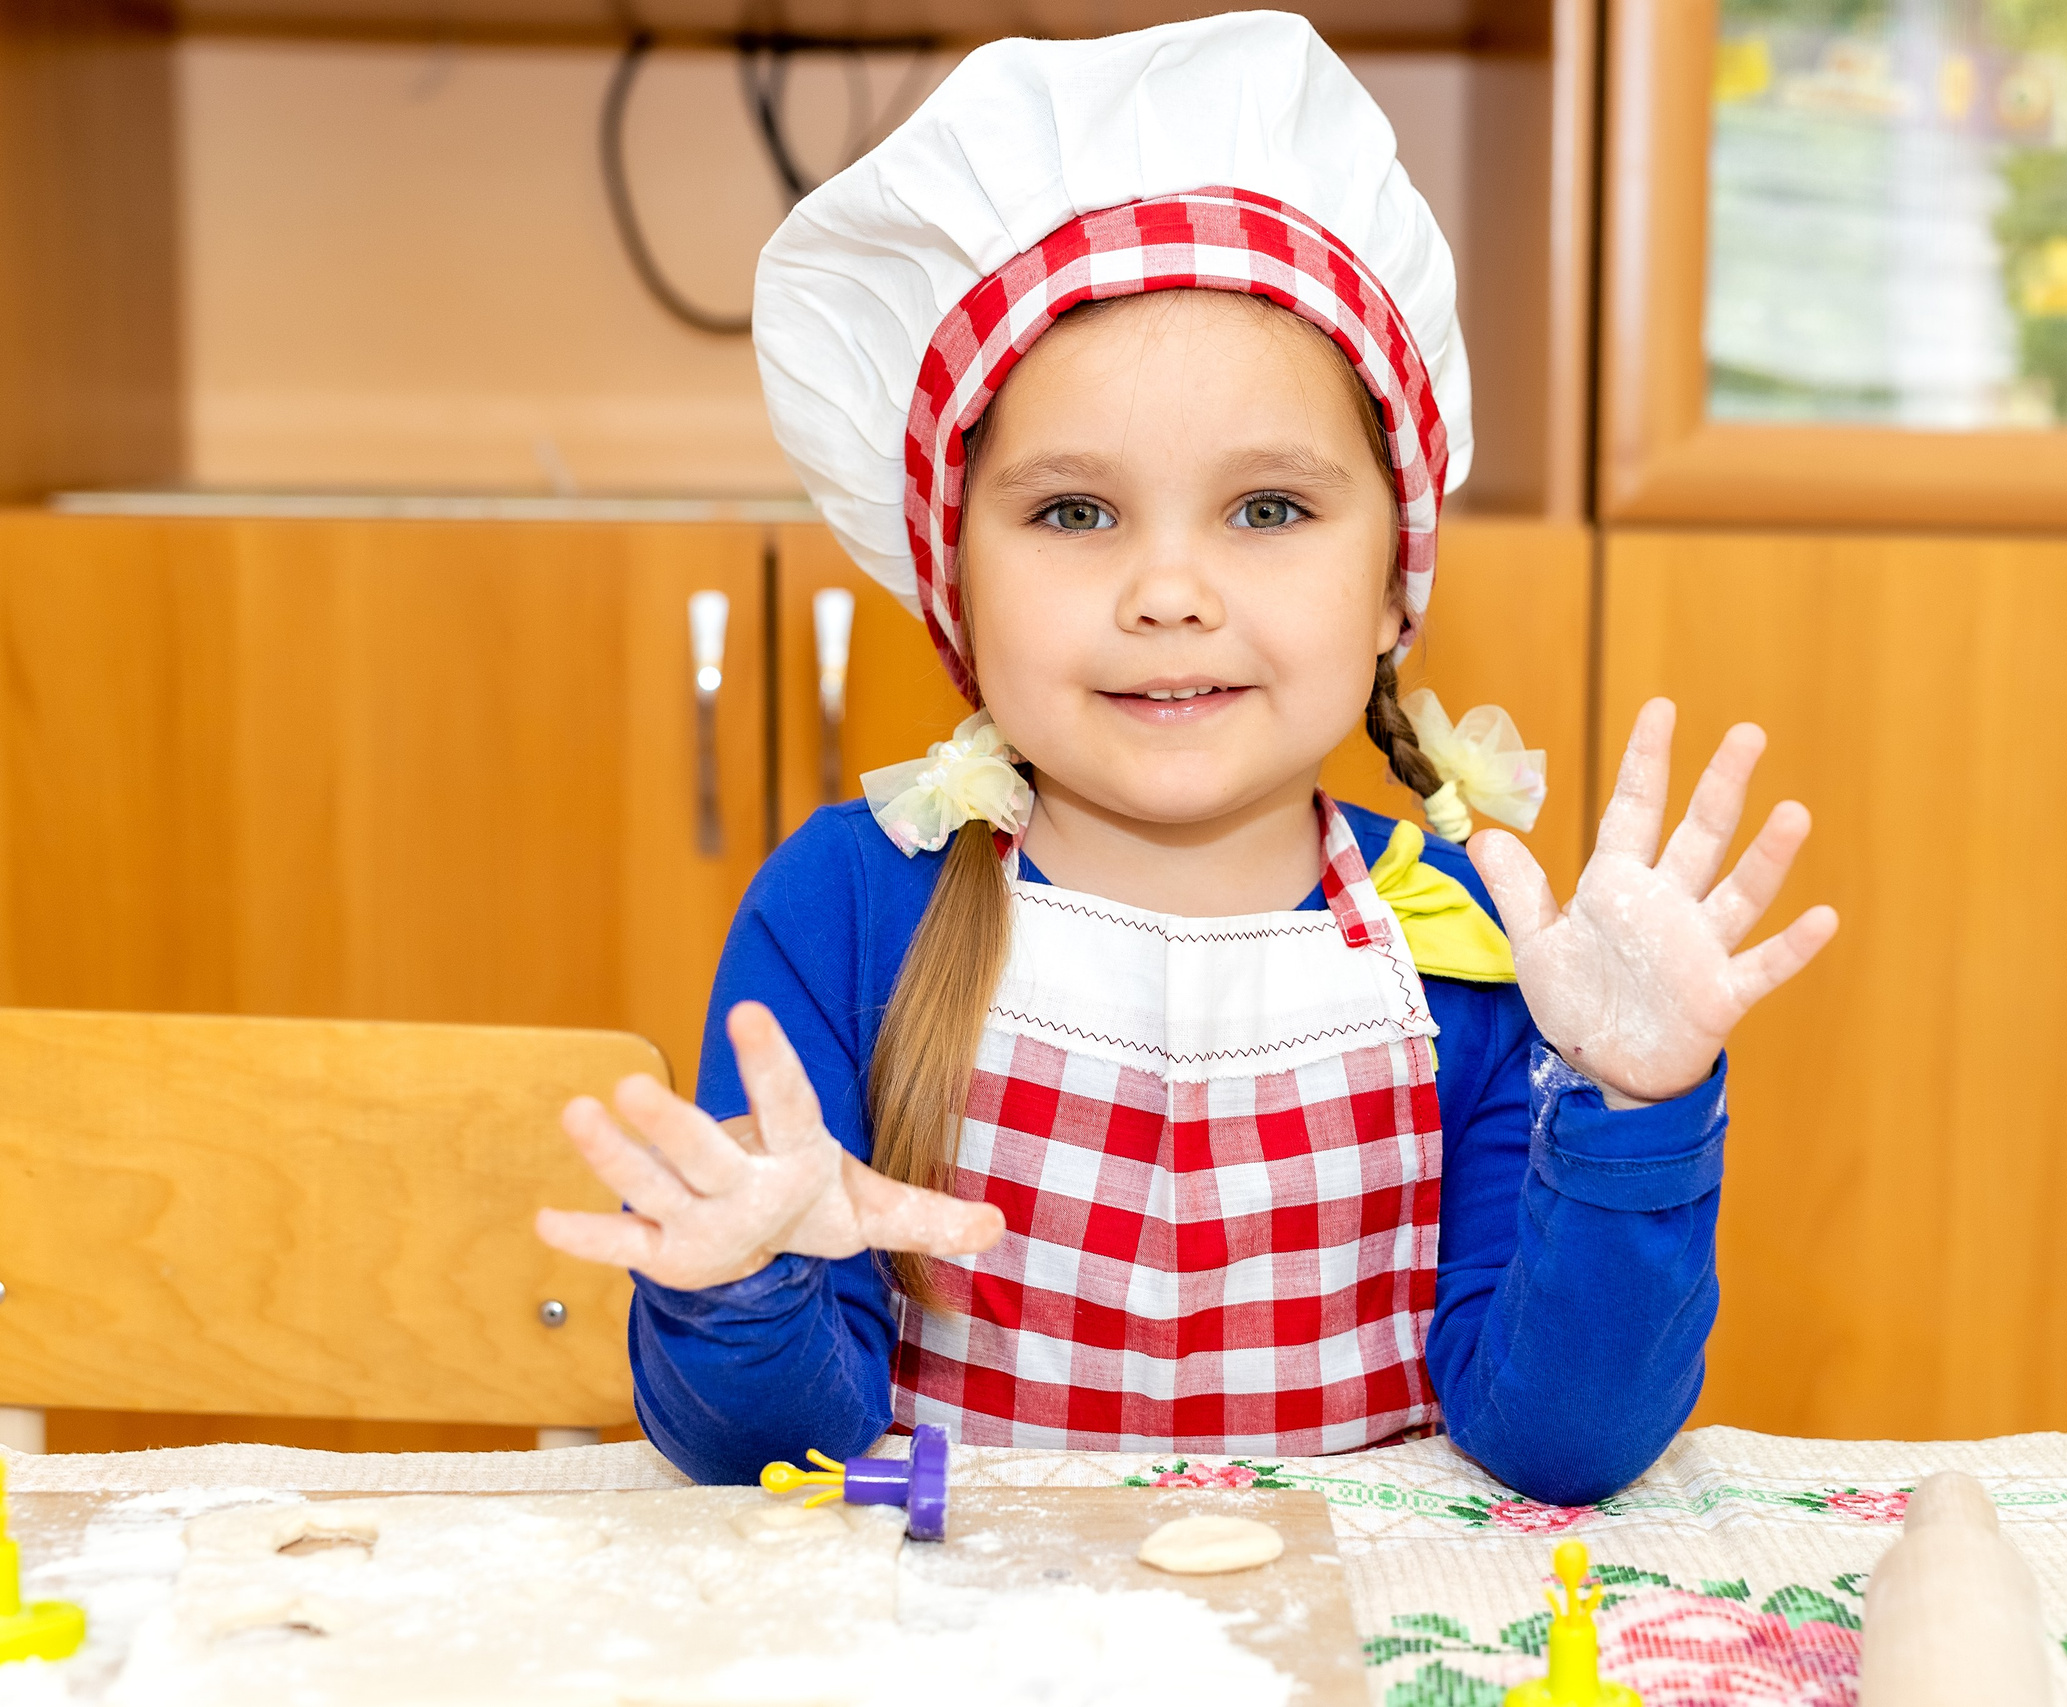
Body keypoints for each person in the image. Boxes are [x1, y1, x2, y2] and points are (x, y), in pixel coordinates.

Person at [535, 11, 1837, 1506]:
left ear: (1398, 578)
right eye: (1075, 513)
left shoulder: (1483, 947)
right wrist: (743, 1287)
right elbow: (772, 1451)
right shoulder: (842, 910)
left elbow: (1561, 1444)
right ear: (953, 584)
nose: (1169, 591)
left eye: (1268, 510)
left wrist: (1630, 1112)